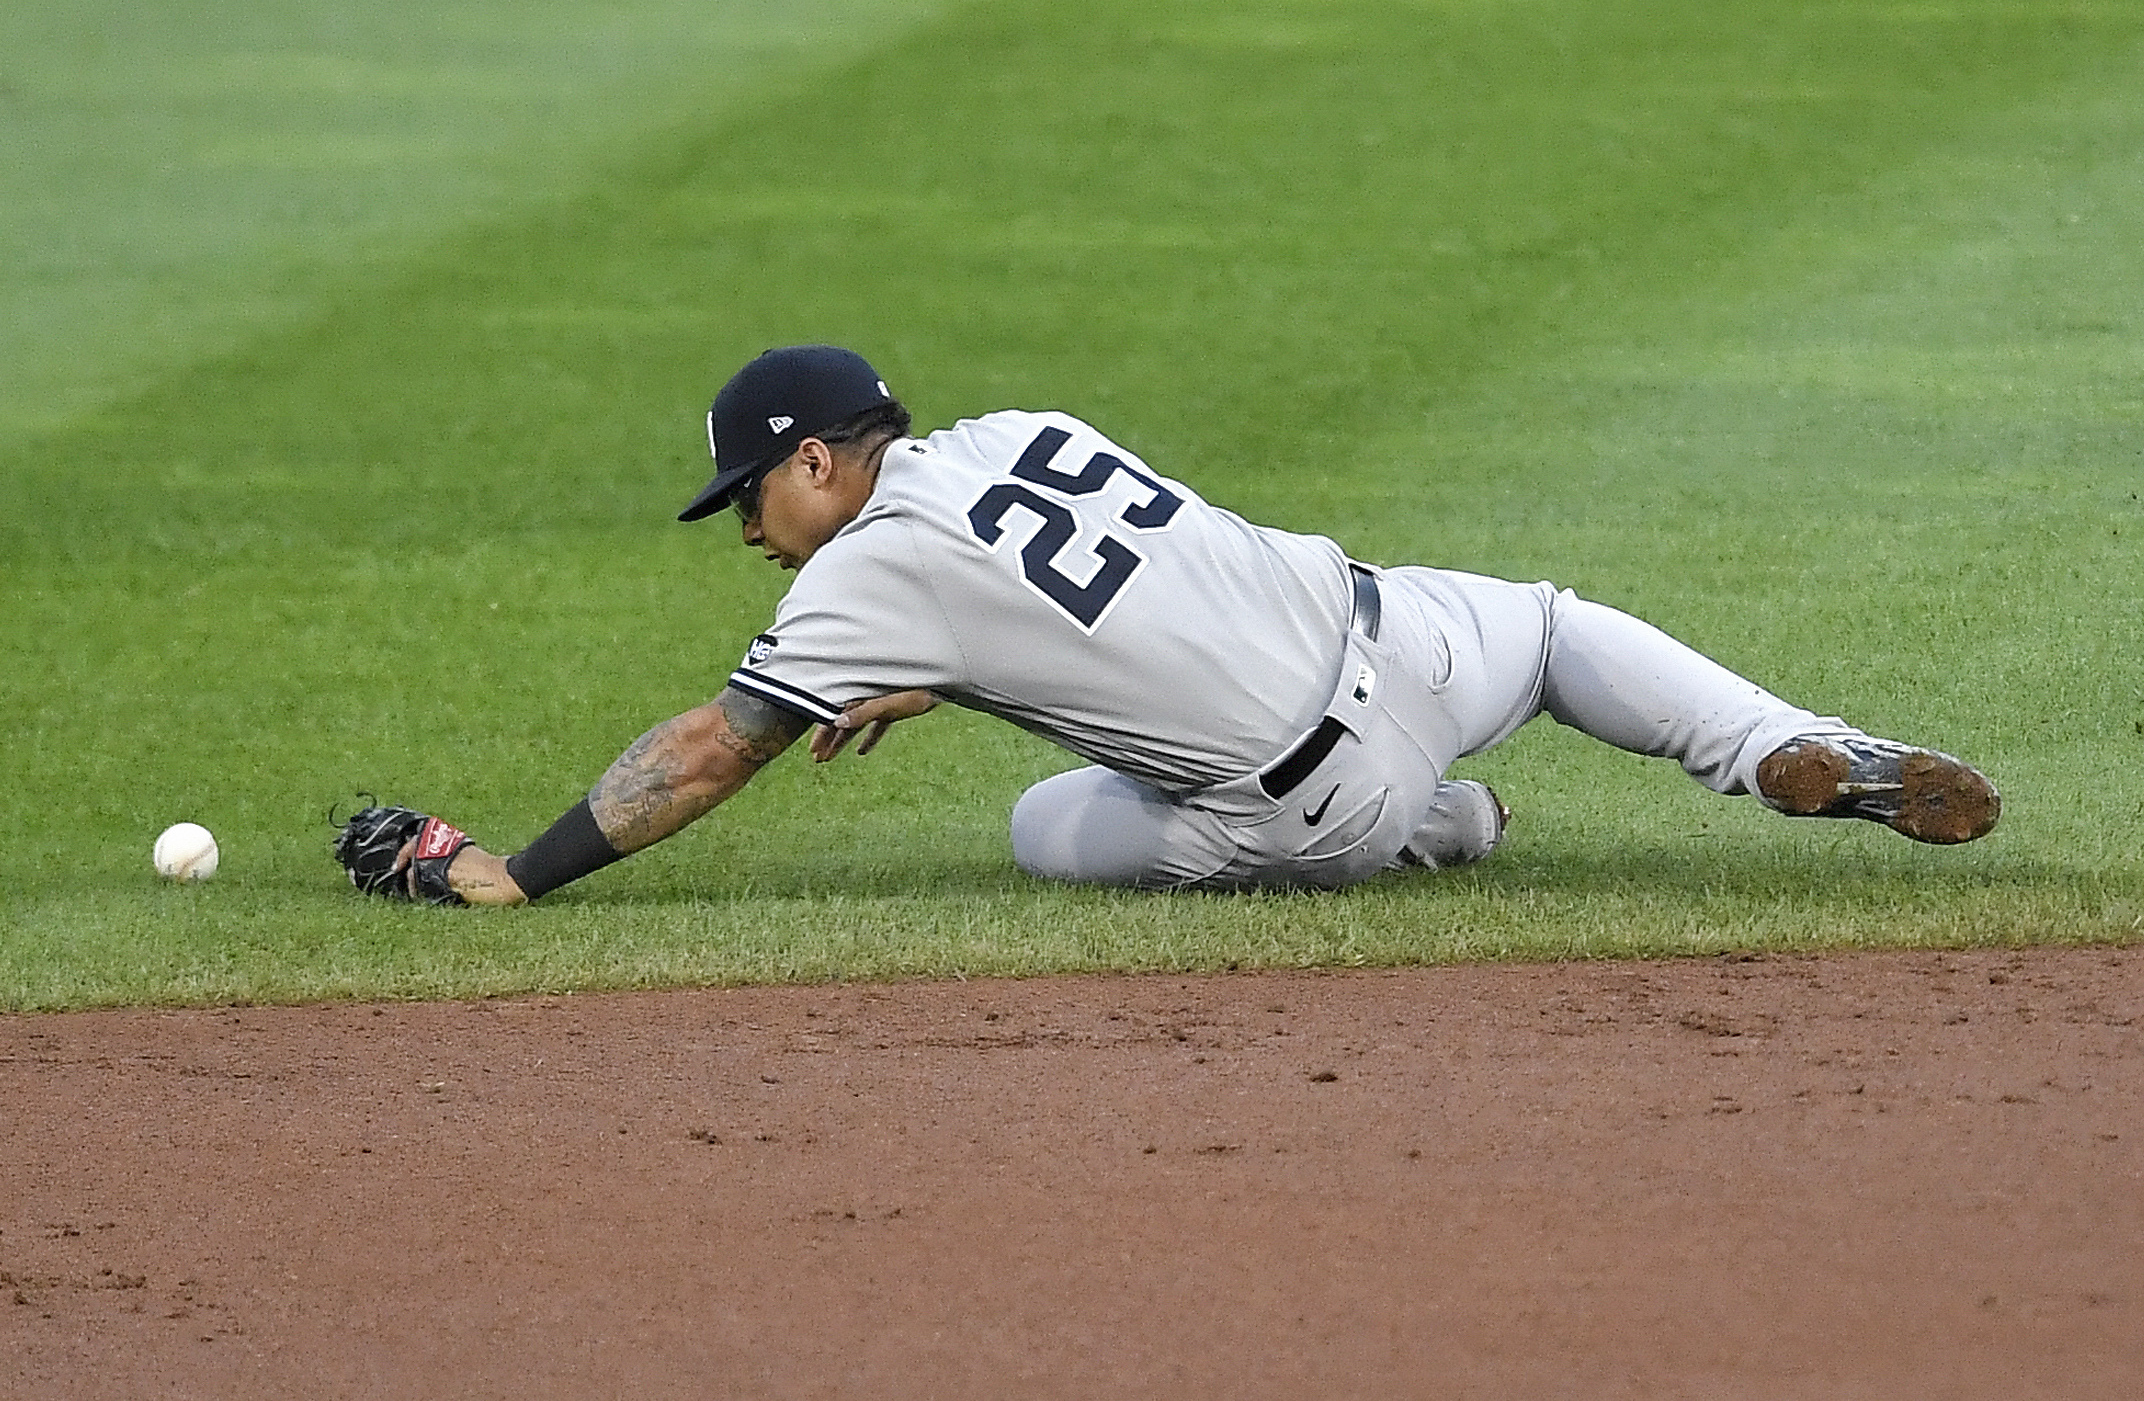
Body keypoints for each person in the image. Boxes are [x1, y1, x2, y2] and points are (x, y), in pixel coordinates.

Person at [397, 344, 1999, 907]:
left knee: (1043, 827)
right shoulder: (1023, 427)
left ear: (820, 462)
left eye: (754, 495)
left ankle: (1441, 830)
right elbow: (1109, 603)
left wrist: (513, 872)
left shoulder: (858, 575)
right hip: (1412, 636)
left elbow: (707, 752)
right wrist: (943, 673)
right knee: (1561, 624)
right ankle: (1783, 740)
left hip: (1314, 805)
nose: (748, 528)